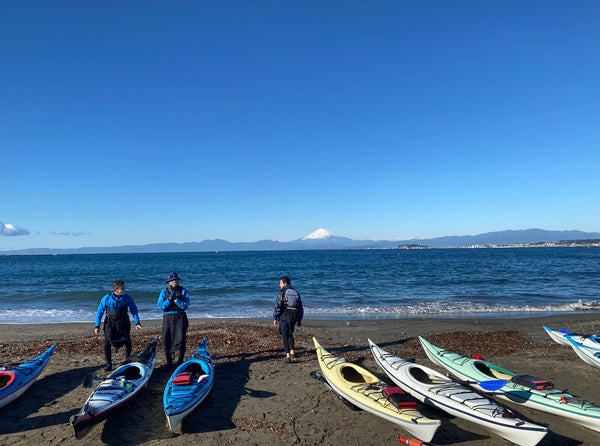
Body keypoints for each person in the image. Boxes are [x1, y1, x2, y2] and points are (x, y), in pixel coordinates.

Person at [95, 280, 143, 371]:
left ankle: (128, 360)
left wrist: (137, 322)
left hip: (123, 322)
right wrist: (97, 326)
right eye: (122, 289)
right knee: (107, 343)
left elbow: (134, 309)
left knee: (127, 341)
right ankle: (109, 365)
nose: (124, 290)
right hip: (110, 323)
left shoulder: (127, 297)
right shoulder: (107, 298)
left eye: (124, 288)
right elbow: (100, 312)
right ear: (115, 289)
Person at [158, 272, 190, 368]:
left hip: (180, 316)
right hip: (168, 318)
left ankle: (180, 361)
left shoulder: (183, 290)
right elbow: (160, 306)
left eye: (176, 280)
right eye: (173, 280)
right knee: (166, 339)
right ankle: (169, 362)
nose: (175, 281)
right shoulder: (164, 292)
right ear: (169, 282)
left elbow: (186, 304)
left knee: (181, 339)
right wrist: (169, 300)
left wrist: (177, 300)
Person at [273, 276, 304, 362]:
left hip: (285, 315)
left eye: (280, 283)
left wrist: (275, 318)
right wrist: (299, 319)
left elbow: (278, 306)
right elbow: (300, 307)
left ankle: (287, 355)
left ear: (285, 283)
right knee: (290, 333)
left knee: (284, 335)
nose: (279, 285)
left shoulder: (282, 293)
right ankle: (292, 352)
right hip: (294, 315)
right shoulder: (296, 293)